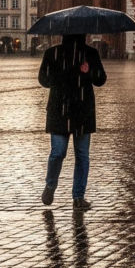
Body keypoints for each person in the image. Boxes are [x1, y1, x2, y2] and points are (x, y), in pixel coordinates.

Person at [38, 33, 107, 211]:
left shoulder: (90, 54)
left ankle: (78, 196)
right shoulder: (52, 53)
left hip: (82, 111)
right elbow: (43, 80)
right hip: (60, 110)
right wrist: (62, 73)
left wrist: (89, 71)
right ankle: (51, 185)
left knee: (82, 156)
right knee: (58, 152)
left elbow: (101, 79)